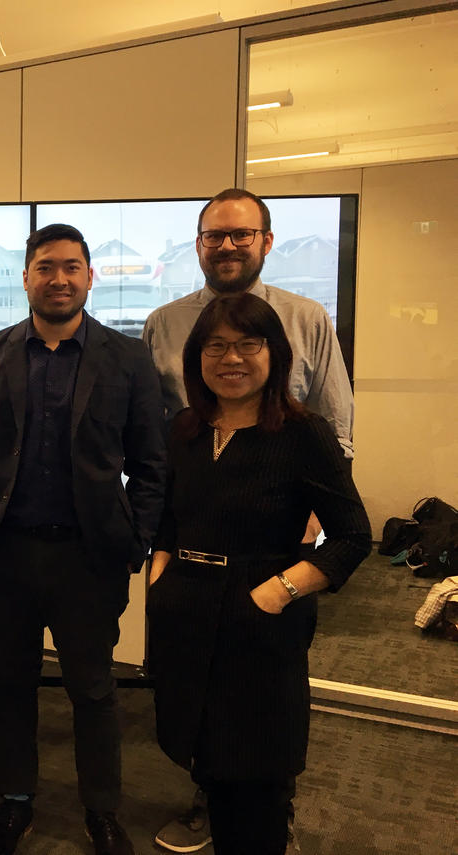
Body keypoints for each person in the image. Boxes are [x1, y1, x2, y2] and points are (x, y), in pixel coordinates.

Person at [141, 188, 355, 853]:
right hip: (191, 607)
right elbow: (170, 505)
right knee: (204, 741)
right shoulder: (186, 425)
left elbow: (352, 530)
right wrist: (160, 571)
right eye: (217, 348)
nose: (232, 358)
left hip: (265, 598)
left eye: (249, 346)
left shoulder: (300, 428)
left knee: (259, 764)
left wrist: (288, 581)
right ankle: (217, 808)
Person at [0, 224, 166, 855]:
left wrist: (138, 539)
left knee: (94, 687)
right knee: (10, 680)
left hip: (88, 557)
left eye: (71, 267)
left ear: (89, 277)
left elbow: (152, 465)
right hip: (4, 555)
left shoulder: (127, 359)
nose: (59, 279)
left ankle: (101, 809)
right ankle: (14, 801)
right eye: (45, 267)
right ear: (26, 277)